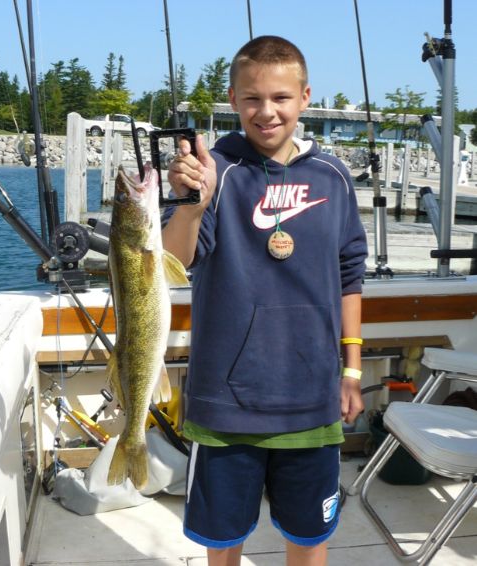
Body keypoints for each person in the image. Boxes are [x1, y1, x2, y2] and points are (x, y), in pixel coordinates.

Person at [162, 35, 368, 566]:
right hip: (226, 404)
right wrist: (190, 205)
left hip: (312, 399)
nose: (267, 111)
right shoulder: (215, 171)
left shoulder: (334, 177)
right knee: (222, 544)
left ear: (304, 97)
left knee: (308, 539)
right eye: (252, 98)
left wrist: (350, 371)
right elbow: (174, 260)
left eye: (280, 97)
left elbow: (350, 277)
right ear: (233, 99)